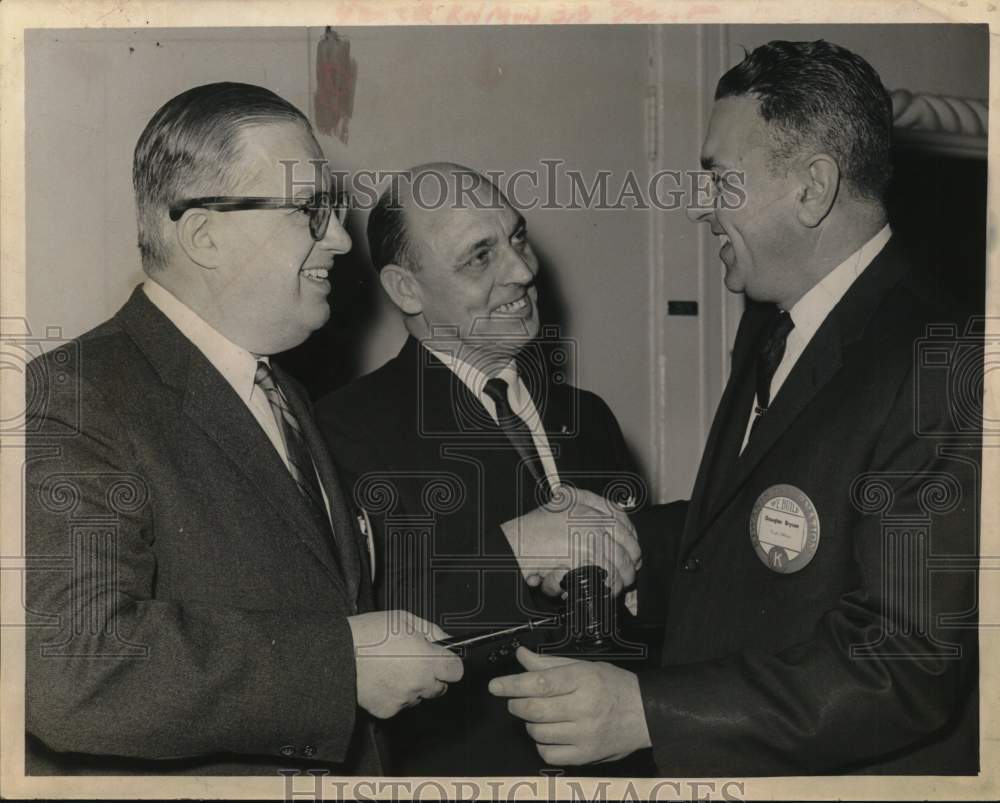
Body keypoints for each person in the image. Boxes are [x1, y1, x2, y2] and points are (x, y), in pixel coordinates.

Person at [490, 40, 980, 775]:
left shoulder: (943, 362)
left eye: (719, 181)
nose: (699, 209)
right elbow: (760, 528)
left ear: (813, 188)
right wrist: (622, 541)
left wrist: (645, 712)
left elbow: (900, 663)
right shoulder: (774, 320)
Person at [24, 82, 462, 776]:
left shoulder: (281, 389)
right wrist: (339, 668)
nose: (344, 240)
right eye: (312, 211)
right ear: (205, 234)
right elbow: (71, 666)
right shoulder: (76, 395)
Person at [315, 164, 649, 775]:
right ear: (406, 290)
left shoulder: (589, 417)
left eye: (518, 237)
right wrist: (515, 552)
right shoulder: (343, 432)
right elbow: (349, 636)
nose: (523, 271)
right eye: (480, 256)